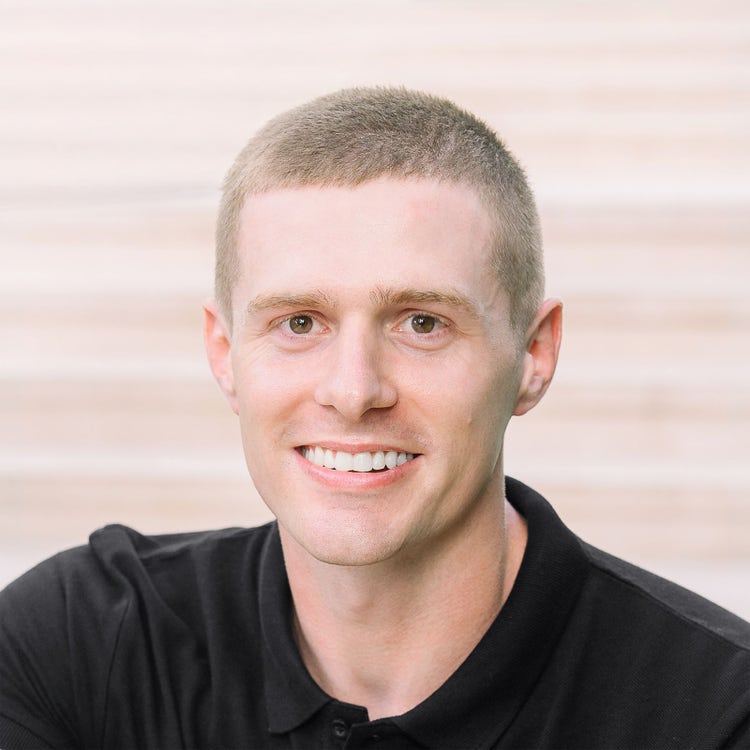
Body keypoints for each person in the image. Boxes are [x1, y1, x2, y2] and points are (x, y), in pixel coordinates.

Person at [0, 87, 748, 750]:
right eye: (299, 323)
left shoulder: (717, 711)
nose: (353, 391)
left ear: (533, 354)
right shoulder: (80, 641)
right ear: (225, 354)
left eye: (422, 323)